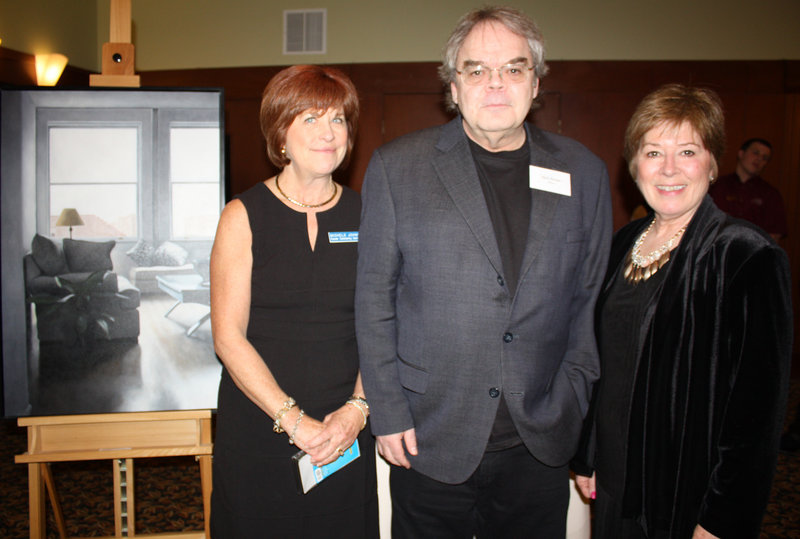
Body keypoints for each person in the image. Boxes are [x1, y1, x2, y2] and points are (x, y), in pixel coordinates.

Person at [355, 6, 612, 537]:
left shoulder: (582, 171)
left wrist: (573, 400)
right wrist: (388, 411)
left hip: (538, 440)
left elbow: (589, 300)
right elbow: (373, 300)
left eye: (514, 69)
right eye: (476, 70)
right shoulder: (397, 167)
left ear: (536, 82)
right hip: (428, 435)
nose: (495, 84)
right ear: (453, 86)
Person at [573, 84, 793, 539]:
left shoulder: (745, 254)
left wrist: (720, 520)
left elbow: (756, 415)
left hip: (684, 497)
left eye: (687, 151)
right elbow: (605, 365)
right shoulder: (622, 244)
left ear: (712, 163)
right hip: (615, 480)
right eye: (653, 153)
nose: (669, 168)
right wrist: (589, 454)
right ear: (634, 165)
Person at [209, 65, 378, 538]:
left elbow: (383, 326)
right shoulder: (242, 216)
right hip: (260, 423)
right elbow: (227, 337)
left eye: (339, 120)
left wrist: (357, 411)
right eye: (310, 118)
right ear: (280, 132)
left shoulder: (371, 213)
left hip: (343, 429)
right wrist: (294, 421)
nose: (328, 133)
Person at [709, 137, 788, 241]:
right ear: (741, 154)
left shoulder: (770, 194)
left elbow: (774, 235)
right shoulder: (716, 186)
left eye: (764, 158)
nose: (759, 159)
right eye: (755, 153)